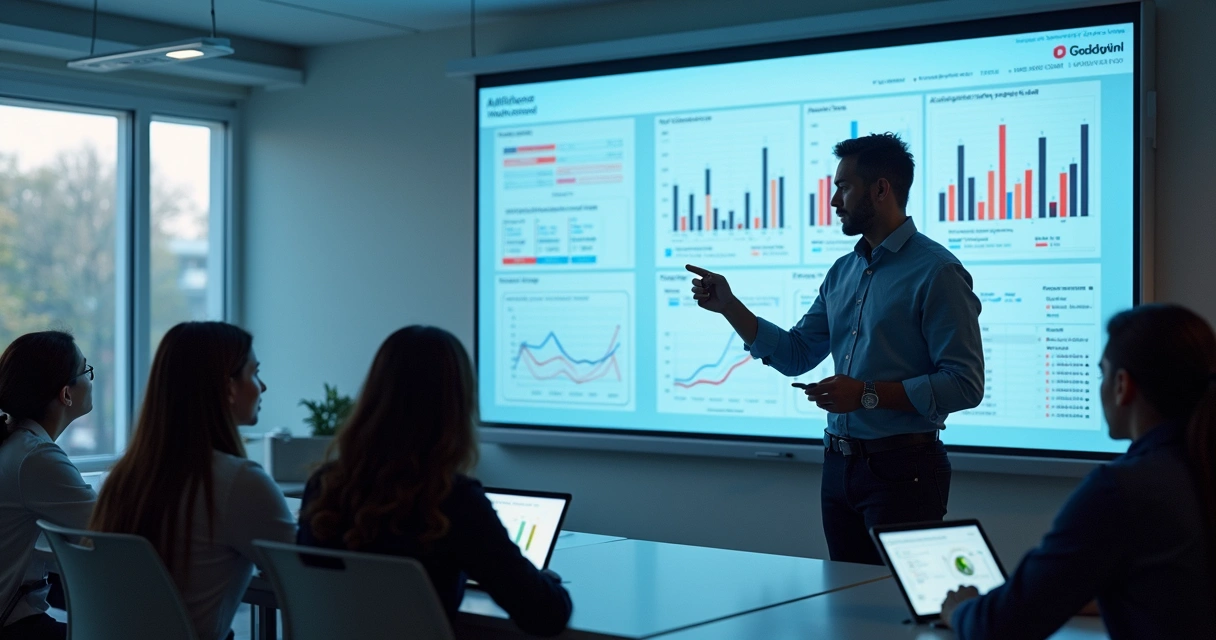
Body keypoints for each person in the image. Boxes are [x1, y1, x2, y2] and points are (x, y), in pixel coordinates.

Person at [688, 133, 984, 565]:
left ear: (881, 189)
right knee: (845, 608)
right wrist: (729, 307)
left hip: (906, 471)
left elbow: (964, 384)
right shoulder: (843, 272)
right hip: (839, 467)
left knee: (895, 613)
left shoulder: (937, 272)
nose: (833, 201)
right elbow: (795, 353)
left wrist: (866, 393)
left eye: (843, 187)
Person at [941, 304, 1216, 639]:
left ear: (1121, 385)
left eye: (1101, 374)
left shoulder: (1122, 490)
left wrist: (963, 609)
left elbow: (1000, 627)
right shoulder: (1193, 468)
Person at [298, 326, 572, 636]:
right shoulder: (452, 500)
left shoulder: (326, 487)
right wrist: (541, 580)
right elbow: (545, 615)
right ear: (457, 406)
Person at [89, 322, 295, 640]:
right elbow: (302, 574)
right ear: (228, 387)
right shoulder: (237, 482)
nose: (262, 386)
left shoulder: (123, 477)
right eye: (255, 373)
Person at [0, 332, 97, 640]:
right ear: (66, 394)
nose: (92, 379)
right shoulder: (37, 457)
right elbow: (106, 526)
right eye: (86, 370)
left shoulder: (17, 444)